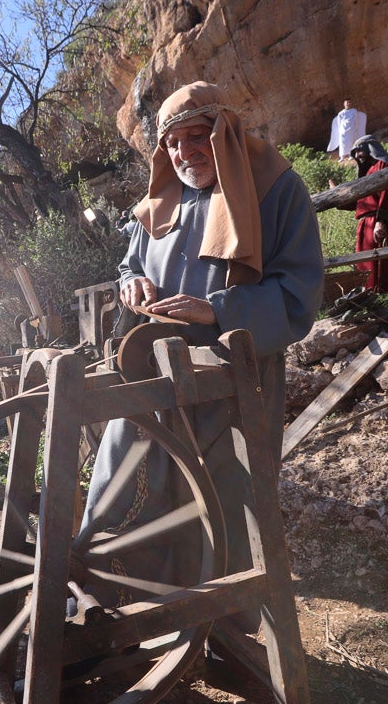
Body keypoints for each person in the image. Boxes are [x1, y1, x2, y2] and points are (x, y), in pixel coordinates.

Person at [83, 81, 322, 622]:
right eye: (173, 143)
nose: (185, 152)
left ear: (224, 133)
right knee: (130, 485)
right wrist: (131, 285)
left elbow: (299, 294)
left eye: (198, 137)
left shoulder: (276, 190)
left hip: (235, 381)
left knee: (224, 500)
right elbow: (131, 266)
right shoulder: (157, 204)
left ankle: (226, 629)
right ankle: (140, 616)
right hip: (153, 377)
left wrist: (218, 311)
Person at [342, 135, 388, 292]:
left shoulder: (382, 165)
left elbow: (387, 194)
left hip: (378, 222)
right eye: (355, 153)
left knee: (380, 263)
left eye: (360, 151)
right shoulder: (367, 171)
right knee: (365, 263)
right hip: (365, 224)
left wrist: (380, 221)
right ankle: (367, 296)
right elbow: (360, 203)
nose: (357, 156)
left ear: (370, 149)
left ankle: (383, 295)